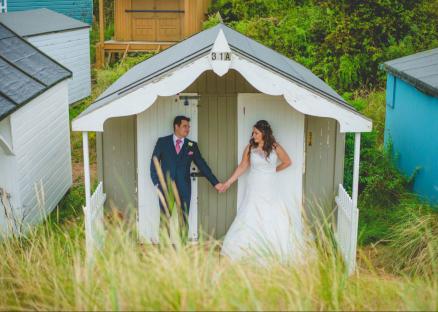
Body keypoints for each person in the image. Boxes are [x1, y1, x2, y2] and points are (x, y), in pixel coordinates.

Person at [219, 120, 304, 263]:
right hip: (254, 186)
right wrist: (228, 182)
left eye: (256, 133)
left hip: (270, 186)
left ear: (264, 133)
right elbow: (242, 166)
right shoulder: (250, 148)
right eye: (253, 132)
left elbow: (288, 161)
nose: (253, 135)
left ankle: (273, 249)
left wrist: (273, 170)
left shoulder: (275, 147)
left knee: (272, 214)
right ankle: (246, 248)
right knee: (251, 212)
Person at [150, 115, 224, 228]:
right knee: (165, 219)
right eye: (185, 126)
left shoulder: (192, 146)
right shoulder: (162, 142)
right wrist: (157, 183)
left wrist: (216, 183)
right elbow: (154, 163)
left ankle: (182, 245)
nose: (187, 129)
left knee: (183, 220)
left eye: (189, 127)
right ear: (176, 126)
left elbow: (202, 165)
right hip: (166, 187)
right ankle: (164, 246)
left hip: (184, 188)